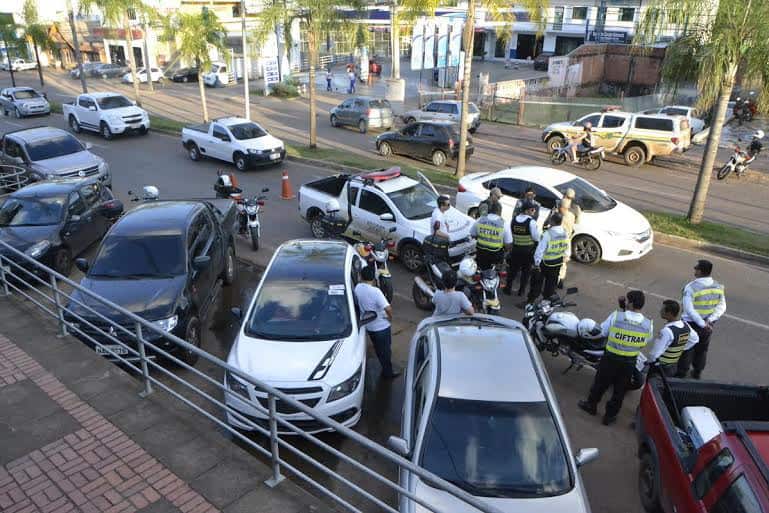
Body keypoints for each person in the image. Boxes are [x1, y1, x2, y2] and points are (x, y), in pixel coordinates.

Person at [578, 291, 653, 425]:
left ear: (630, 302)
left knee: (600, 384)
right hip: (629, 362)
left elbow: (603, 331)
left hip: (611, 358)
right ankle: (609, 416)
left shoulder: (616, 316)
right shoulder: (648, 324)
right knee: (620, 390)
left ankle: (591, 406)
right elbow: (645, 341)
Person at [676, 260, 726, 379]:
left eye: (696, 268)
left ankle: (682, 373)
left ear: (700, 271)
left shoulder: (691, 287)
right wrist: (710, 320)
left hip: (691, 324)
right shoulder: (719, 286)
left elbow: (689, 309)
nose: (695, 270)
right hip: (708, 325)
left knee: (687, 349)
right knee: (702, 350)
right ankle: (697, 372)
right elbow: (722, 306)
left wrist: (701, 323)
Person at [354, 265, 400, 378]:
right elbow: (388, 308)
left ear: (361, 276)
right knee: (385, 350)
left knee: (379, 348)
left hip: (368, 326)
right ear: (373, 278)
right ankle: (388, 372)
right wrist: (390, 318)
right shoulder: (375, 291)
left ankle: (384, 367)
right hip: (381, 327)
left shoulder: (357, 288)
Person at [648, 300, 699, 377]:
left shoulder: (666, 331)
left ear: (669, 313)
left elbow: (655, 354)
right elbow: (695, 339)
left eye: (662, 310)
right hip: (673, 366)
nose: (660, 311)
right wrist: (680, 349)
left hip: (661, 368)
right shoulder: (685, 325)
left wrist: (650, 363)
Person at [528, 212, 569, 305]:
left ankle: (530, 301)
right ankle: (546, 303)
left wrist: (536, 263)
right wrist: (565, 257)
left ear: (552, 221)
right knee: (551, 284)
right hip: (557, 262)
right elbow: (567, 247)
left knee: (537, 282)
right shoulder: (564, 233)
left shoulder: (548, 234)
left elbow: (540, 250)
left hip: (545, 263)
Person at [503, 201, 540, 296]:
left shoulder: (514, 220)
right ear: (527, 210)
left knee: (512, 270)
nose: (534, 211)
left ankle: (508, 288)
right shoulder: (531, 222)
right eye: (532, 209)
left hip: (515, 250)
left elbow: (510, 234)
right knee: (526, 272)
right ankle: (521, 291)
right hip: (528, 252)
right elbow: (536, 238)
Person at [471, 202, 511, 271]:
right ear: (500, 211)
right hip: (495, 255)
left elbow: (472, 234)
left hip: (481, 253)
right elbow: (508, 243)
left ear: (489, 210)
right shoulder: (503, 223)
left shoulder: (480, 219)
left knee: (480, 270)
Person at [556, 197, 576, 289]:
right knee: (563, 263)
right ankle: (561, 280)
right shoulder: (572, 215)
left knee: (558, 262)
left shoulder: (560, 217)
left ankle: (557, 281)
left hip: (560, 241)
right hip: (567, 241)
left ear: (562, 207)